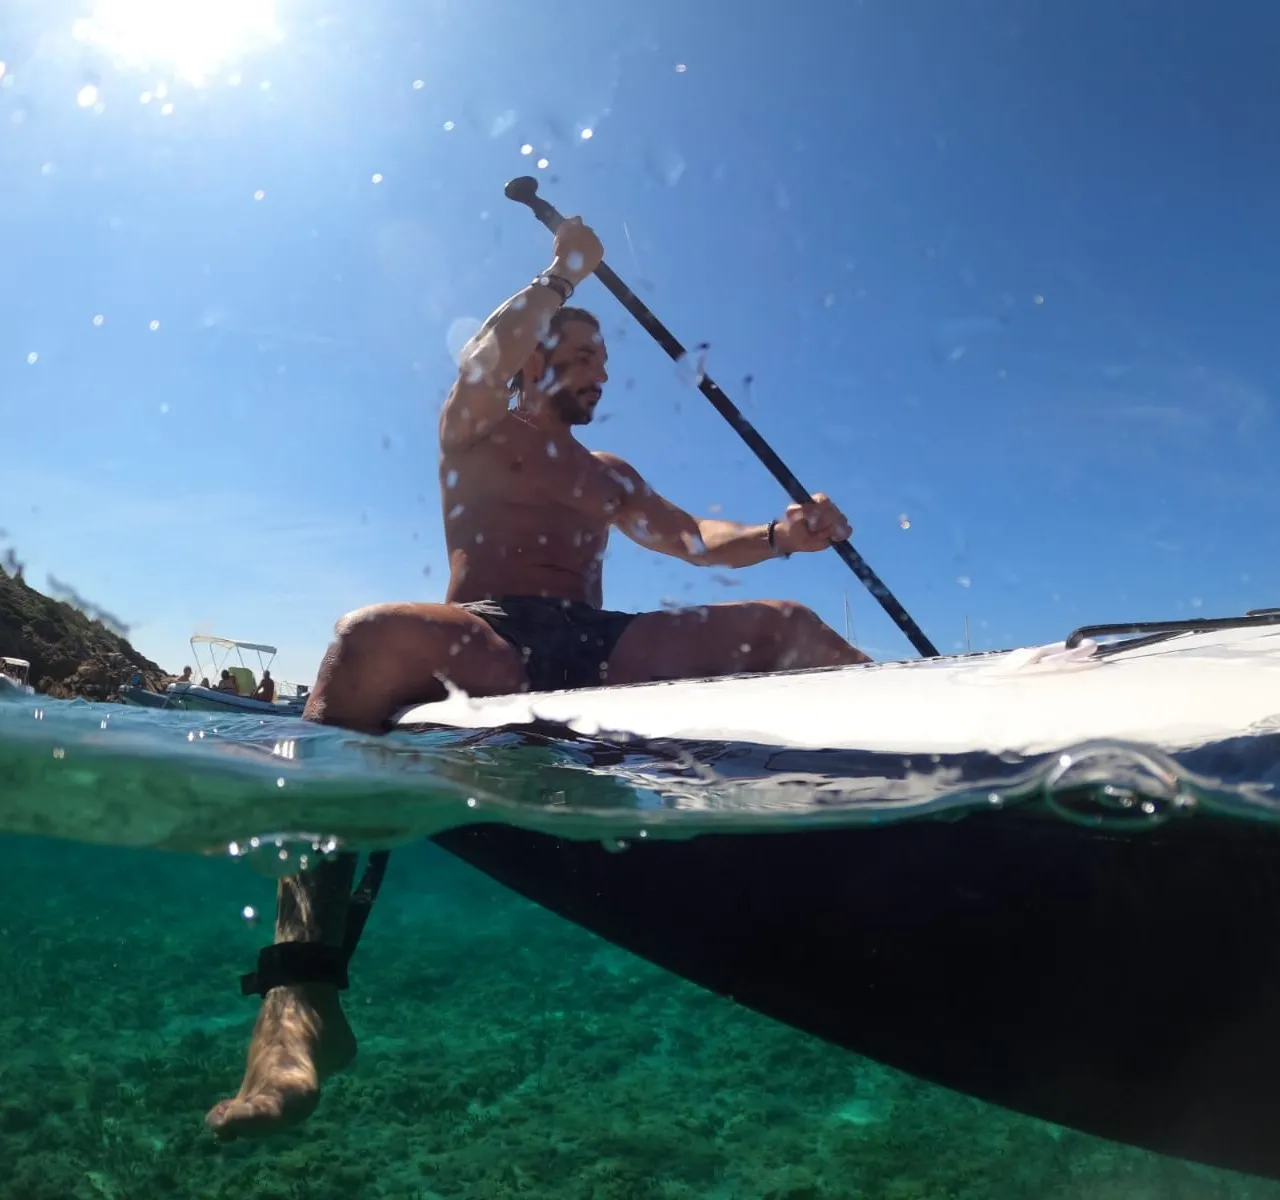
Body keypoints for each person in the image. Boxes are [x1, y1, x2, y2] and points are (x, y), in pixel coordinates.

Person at [205, 213, 871, 1139]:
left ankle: (946, 812)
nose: (600, 370)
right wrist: (561, 278)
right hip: (492, 635)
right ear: (530, 357)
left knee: (792, 627)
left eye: (605, 357)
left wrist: (777, 536)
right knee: (366, 639)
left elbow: (696, 543)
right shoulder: (478, 425)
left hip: (597, 640)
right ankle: (298, 999)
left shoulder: (611, 472)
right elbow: (482, 359)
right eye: (581, 352)